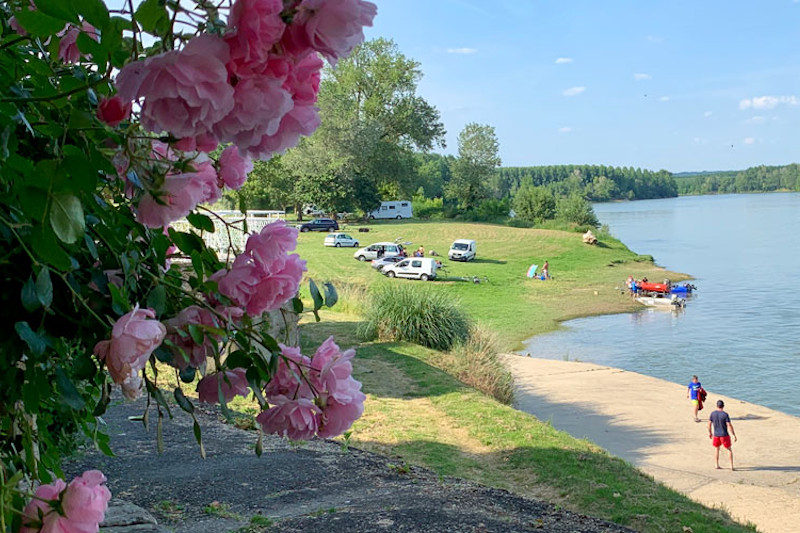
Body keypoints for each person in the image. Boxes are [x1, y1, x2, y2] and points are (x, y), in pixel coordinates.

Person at [708, 400, 737, 470]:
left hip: (716, 434)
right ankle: (731, 466)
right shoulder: (725, 414)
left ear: (717, 405)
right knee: (729, 449)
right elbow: (729, 425)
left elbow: (709, 424)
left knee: (716, 449)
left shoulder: (713, 414)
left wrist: (710, 433)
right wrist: (734, 434)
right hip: (724, 434)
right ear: (723, 406)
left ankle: (716, 464)